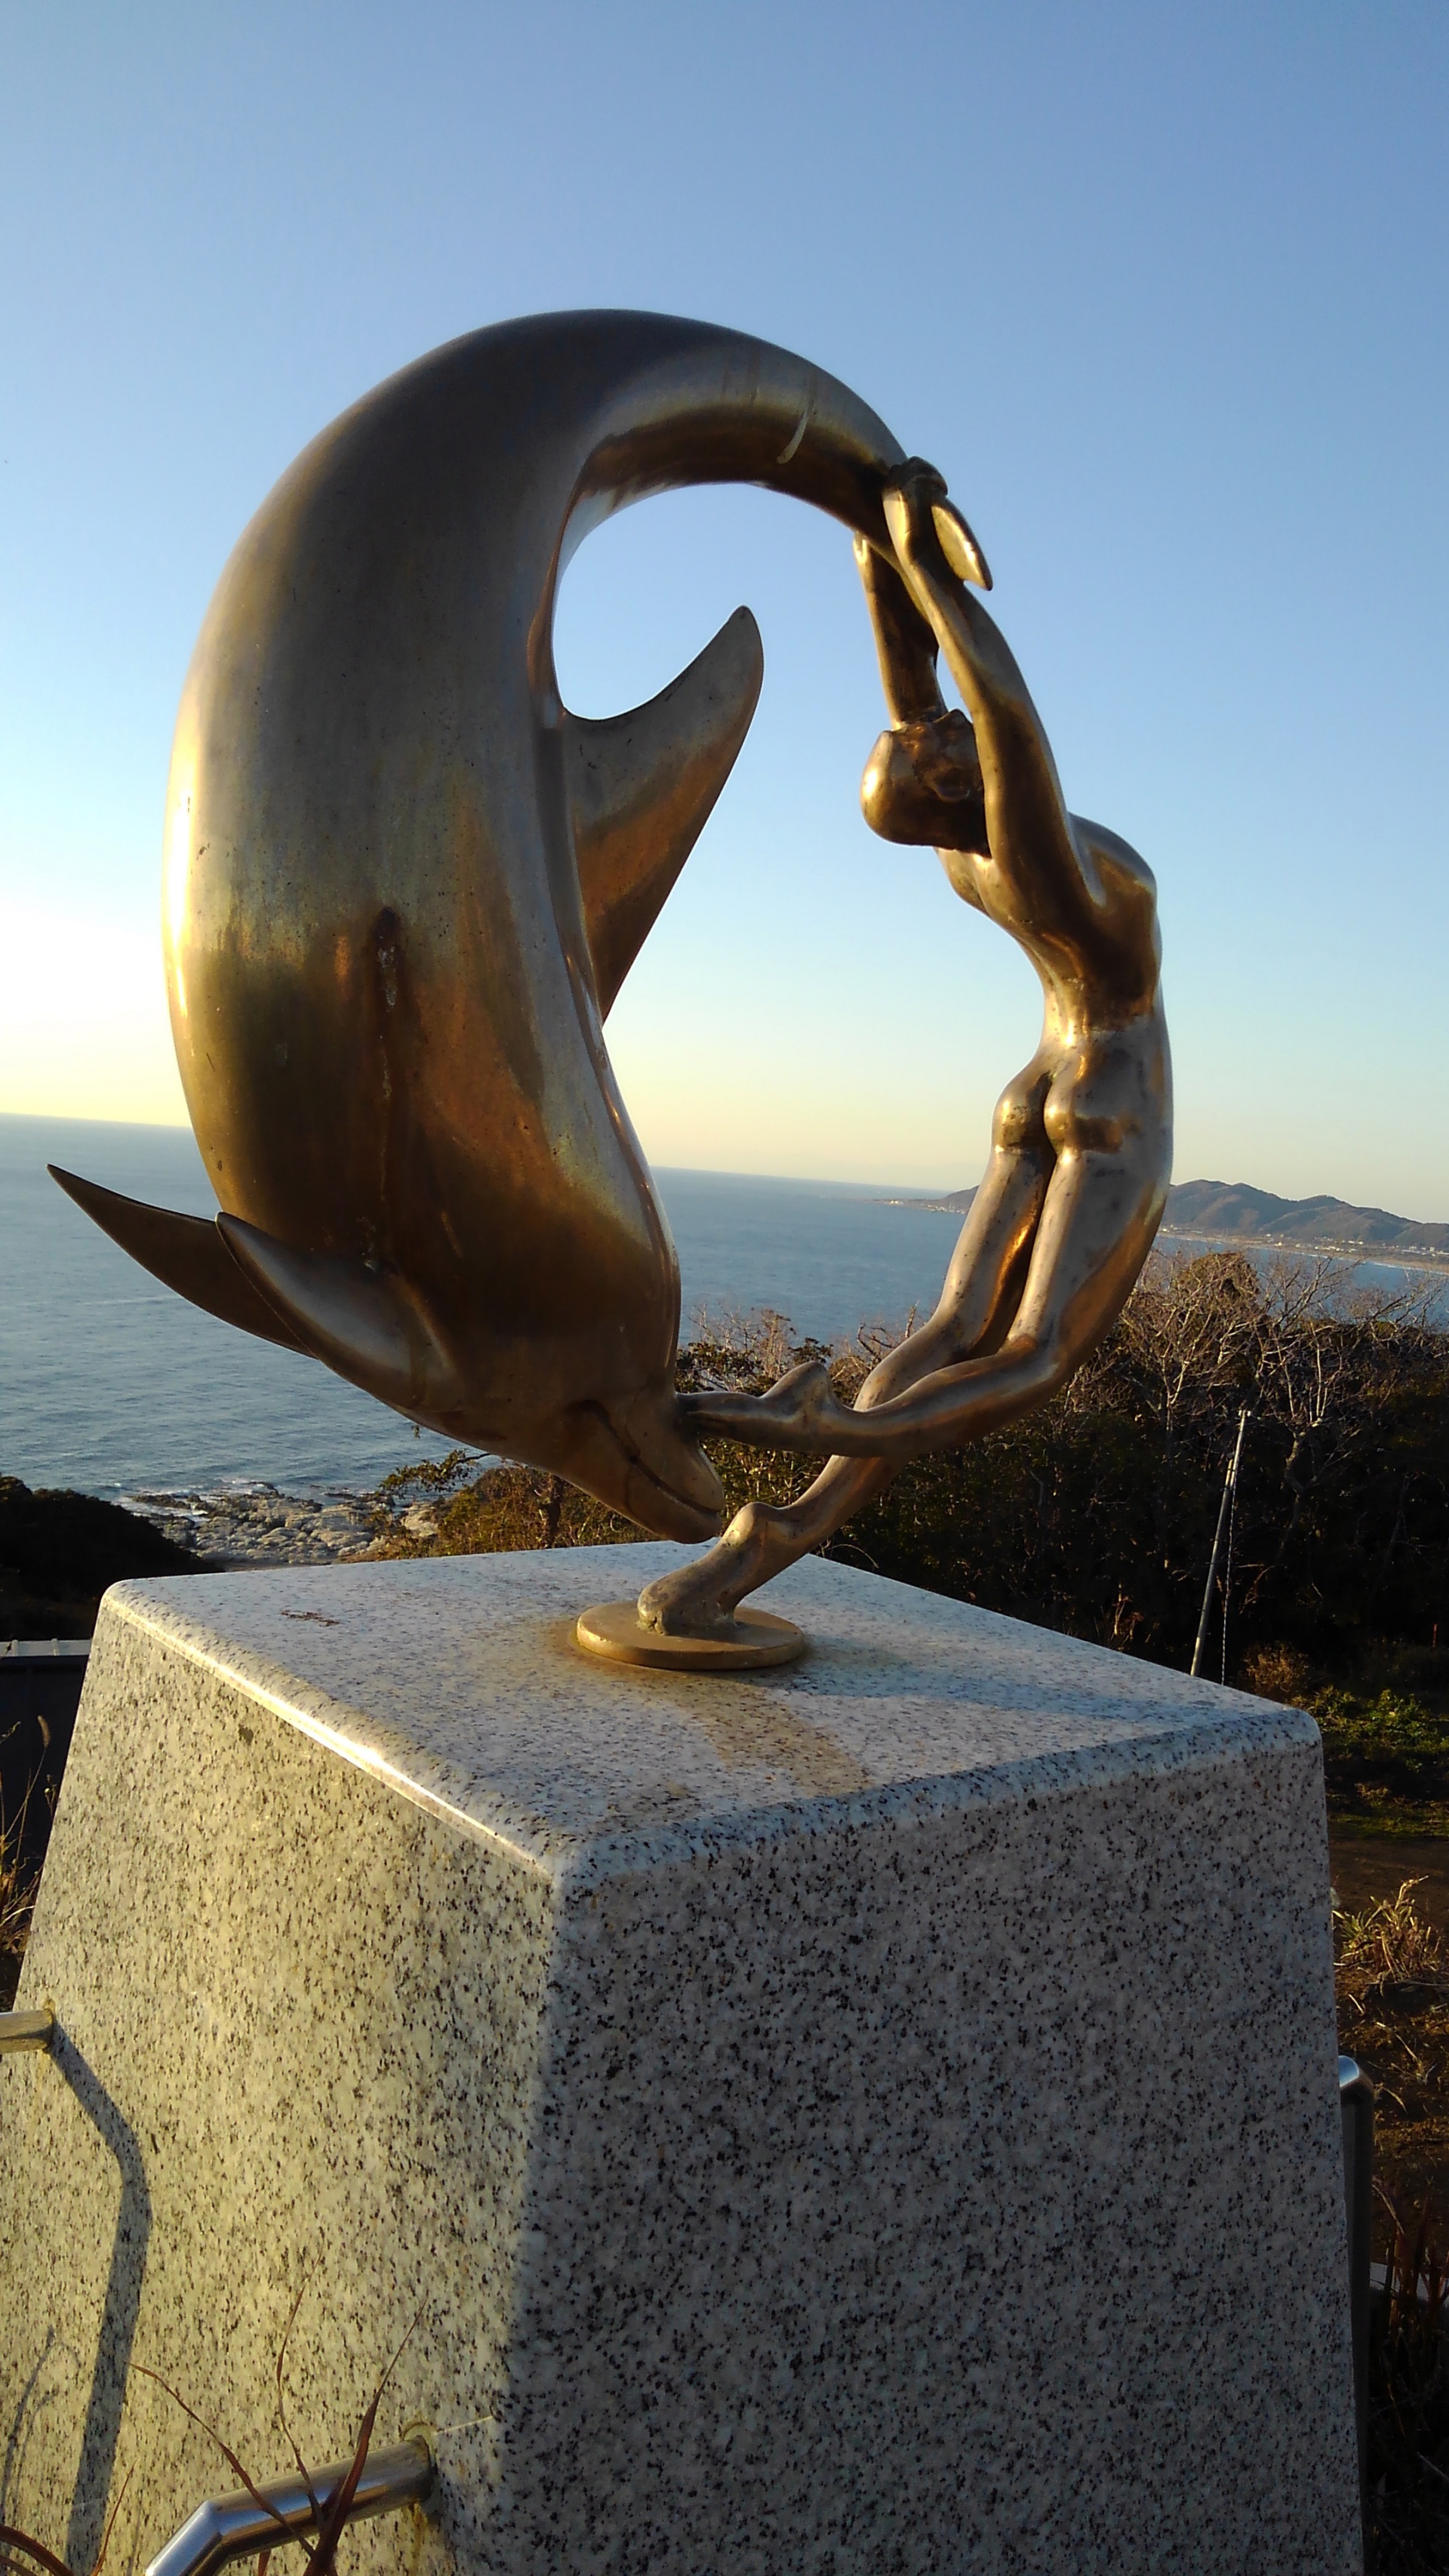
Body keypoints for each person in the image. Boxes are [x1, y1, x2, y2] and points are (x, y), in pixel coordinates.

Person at [639, 460, 1171, 1639]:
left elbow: (915, 697)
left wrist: (870, 548)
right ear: (959, 783)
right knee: (1030, 1357)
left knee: (944, 1331)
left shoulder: (959, 853)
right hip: (1112, 1091)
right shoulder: (1034, 853)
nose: (948, 729)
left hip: (1034, 1083)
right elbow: (1010, 715)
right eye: (945, 745)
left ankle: (766, 1536)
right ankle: (831, 1426)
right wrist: (931, 573)